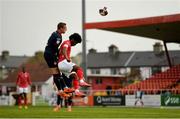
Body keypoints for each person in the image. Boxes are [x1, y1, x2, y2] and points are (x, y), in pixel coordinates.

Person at [44, 22, 73, 98]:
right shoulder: (58, 36)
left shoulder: (56, 34)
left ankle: (61, 90)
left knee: (56, 73)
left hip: (48, 54)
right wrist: (57, 55)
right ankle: (64, 88)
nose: (66, 29)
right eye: (65, 28)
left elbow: (53, 47)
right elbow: (54, 48)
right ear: (60, 28)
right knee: (57, 72)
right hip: (50, 55)